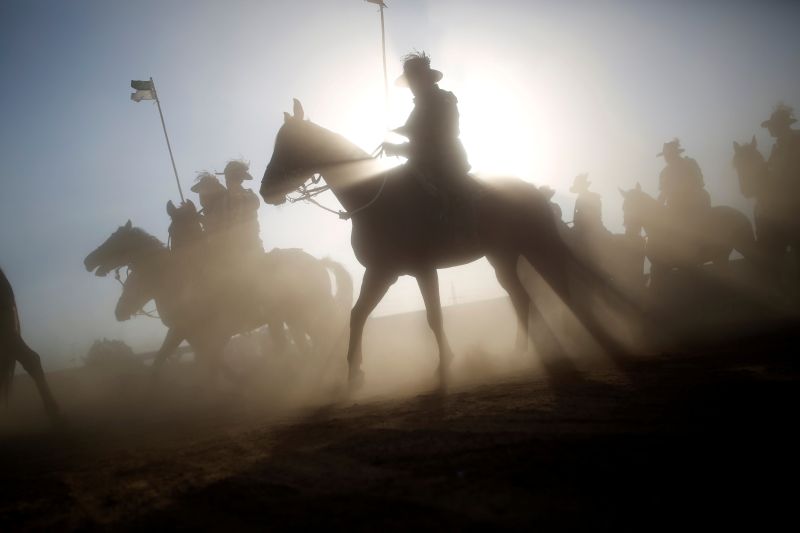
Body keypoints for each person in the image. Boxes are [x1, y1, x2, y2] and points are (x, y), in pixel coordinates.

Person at [381, 52, 473, 228]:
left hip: (445, 162)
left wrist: (399, 148)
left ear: (426, 78)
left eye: (415, 79)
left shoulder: (443, 98)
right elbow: (415, 132)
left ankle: (459, 230)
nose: (412, 85)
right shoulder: (421, 105)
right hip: (422, 163)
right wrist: (395, 132)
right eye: (410, 81)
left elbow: (441, 136)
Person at [657, 139, 710, 217]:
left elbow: (699, 183)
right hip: (674, 207)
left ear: (675, 154)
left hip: (696, 204)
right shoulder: (664, 173)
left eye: (669, 154)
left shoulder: (689, 164)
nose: (667, 157)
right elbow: (663, 194)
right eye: (666, 155)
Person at [221, 159, 263, 257]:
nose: (228, 180)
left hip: (250, 249)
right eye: (228, 177)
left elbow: (255, 204)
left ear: (240, 179)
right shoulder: (222, 200)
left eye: (233, 177)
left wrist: (239, 198)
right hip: (227, 251)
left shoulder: (250, 195)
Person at [762, 104, 800, 190]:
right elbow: (770, 167)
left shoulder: (797, 138)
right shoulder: (776, 146)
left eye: (772, 125)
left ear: (780, 125)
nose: (769, 128)